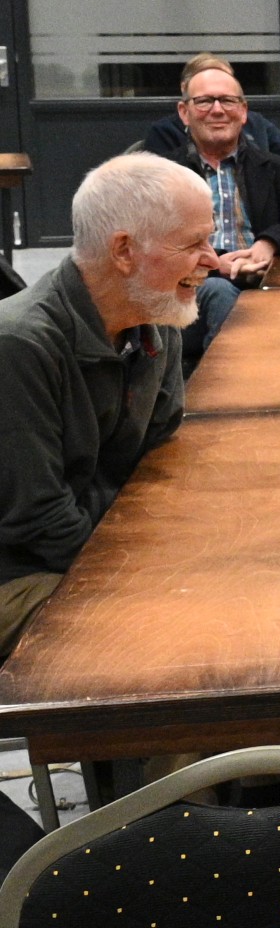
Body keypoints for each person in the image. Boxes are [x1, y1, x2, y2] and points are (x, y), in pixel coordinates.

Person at [0, 154, 218, 659]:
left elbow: (157, 457)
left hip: (95, 545)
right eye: (193, 245)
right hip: (21, 573)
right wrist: (151, 575)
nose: (214, 260)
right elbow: (37, 520)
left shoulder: (157, 315)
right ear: (124, 251)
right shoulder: (19, 346)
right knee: (167, 634)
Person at [140, 63, 280, 370]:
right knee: (220, 291)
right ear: (184, 112)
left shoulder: (275, 170)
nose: (218, 110)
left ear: (244, 111)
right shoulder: (160, 176)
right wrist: (213, 265)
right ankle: (228, 382)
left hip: (261, 285)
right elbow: (145, 243)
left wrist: (268, 243)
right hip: (187, 295)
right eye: (204, 101)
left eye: (228, 101)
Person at [141, 54, 280, 188]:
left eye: (227, 98)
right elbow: (149, 188)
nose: (217, 110)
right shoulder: (165, 133)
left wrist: (276, 188)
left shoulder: (256, 123)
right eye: (205, 100)